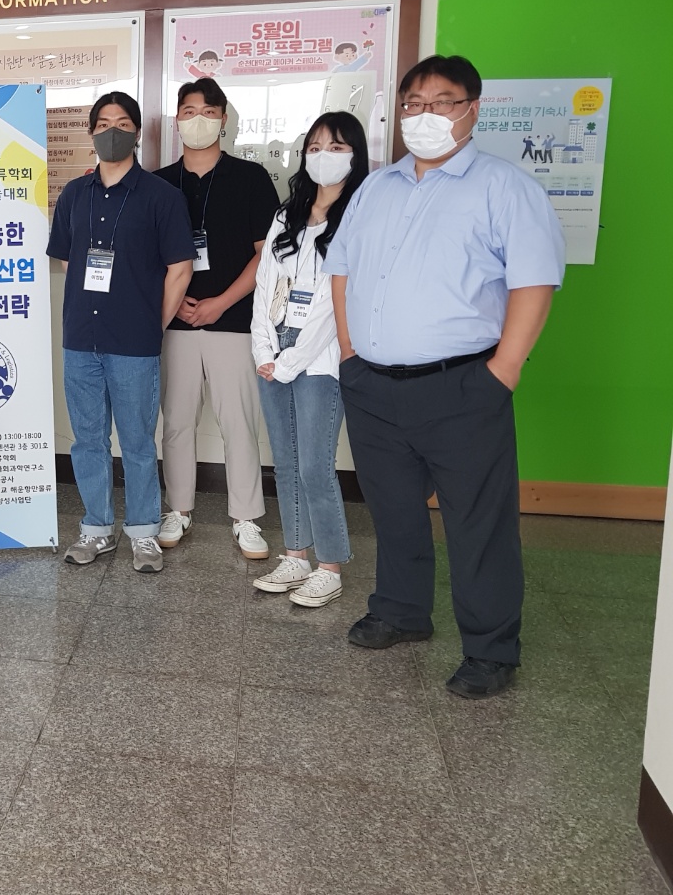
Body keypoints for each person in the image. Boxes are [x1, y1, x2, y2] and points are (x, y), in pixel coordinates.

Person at [326, 54, 565, 700]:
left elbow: (534, 282)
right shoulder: (376, 188)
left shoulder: (505, 188)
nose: (424, 115)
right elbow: (341, 268)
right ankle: (401, 610)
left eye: (441, 102)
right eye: (413, 104)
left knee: (477, 522)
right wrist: (348, 352)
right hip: (372, 384)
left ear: (472, 109)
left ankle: (490, 648)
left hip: (462, 386)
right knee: (393, 508)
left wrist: (503, 372)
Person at [48, 92, 195, 574]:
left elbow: (180, 269)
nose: (113, 131)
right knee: (88, 440)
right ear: (91, 132)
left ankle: (144, 531)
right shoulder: (74, 194)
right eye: (104, 123)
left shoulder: (161, 196)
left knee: (136, 440)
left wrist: (153, 323)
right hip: (81, 339)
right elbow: (69, 261)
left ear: (137, 132)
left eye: (123, 123)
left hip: (134, 342)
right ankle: (96, 527)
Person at [249, 112, 371, 609]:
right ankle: (296, 555)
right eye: (316, 146)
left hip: (320, 359)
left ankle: (330, 566)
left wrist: (290, 361)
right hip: (274, 352)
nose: (324, 156)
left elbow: (331, 304)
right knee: (285, 462)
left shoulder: (359, 216)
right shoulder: (288, 214)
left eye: (337, 147)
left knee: (315, 466)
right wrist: (264, 350)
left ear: (355, 155)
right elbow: (265, 286)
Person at [155, 78, 281, 559]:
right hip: (175, 323)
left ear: (224, 119)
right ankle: (178, 509)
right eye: (189, 111)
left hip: (233, 321)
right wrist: (176, 302)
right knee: (176, 422)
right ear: (177, 119)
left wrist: (220, 302)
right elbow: (146, 257)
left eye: (208, 111)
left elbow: (265, 255)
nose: (198, 120)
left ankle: (246, 518)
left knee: (239, 422)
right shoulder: (159, 183)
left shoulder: (250, 178)